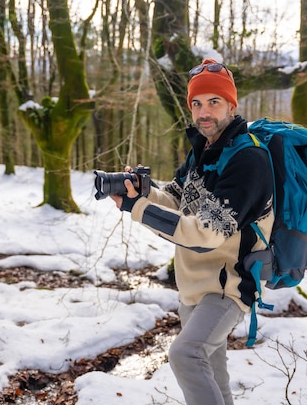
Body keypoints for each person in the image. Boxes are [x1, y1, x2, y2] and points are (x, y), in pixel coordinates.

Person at [110, 58, 274, 405]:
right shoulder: (204, 150)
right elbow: (176, 198)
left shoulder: (249, 160)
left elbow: (206, 234)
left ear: (232, 104)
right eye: (196, 104)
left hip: (228, 286)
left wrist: (136, 208)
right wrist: (141, 192)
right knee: (214, 381)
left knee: (185, 356)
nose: (203, 113)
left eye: (214, 102)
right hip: (193, 288)